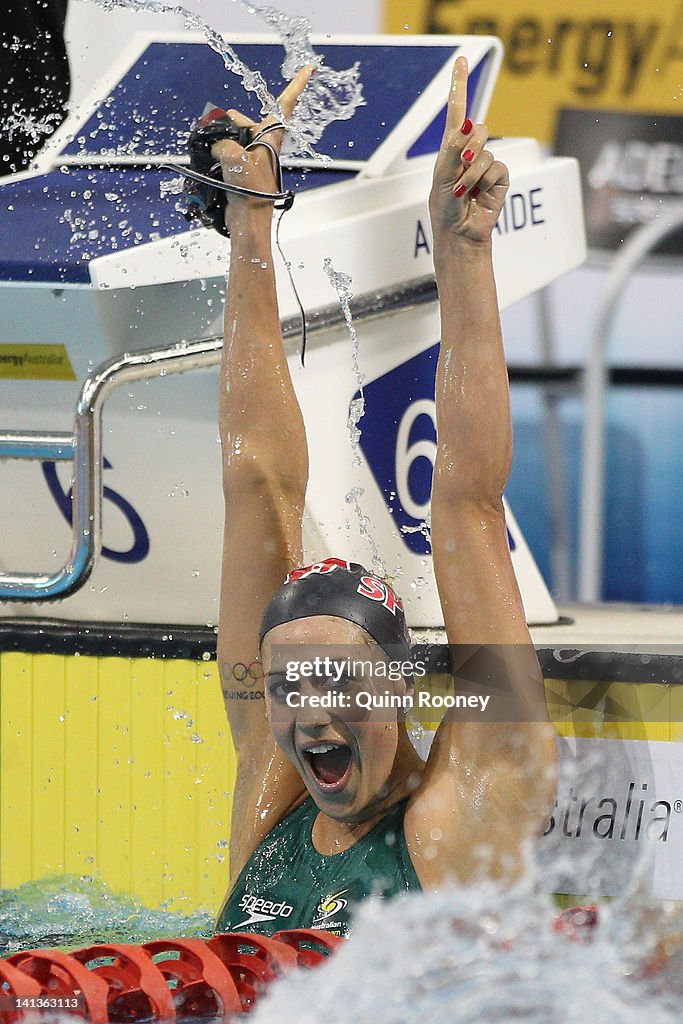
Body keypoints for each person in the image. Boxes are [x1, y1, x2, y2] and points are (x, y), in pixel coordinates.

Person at [213, 57, 557, 937]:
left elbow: (467, 501)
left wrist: (464, 251)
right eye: (291, 685)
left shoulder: (457, 813)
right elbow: (257, 479)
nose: (315, 710)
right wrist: (249, 219)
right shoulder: (273, 796)